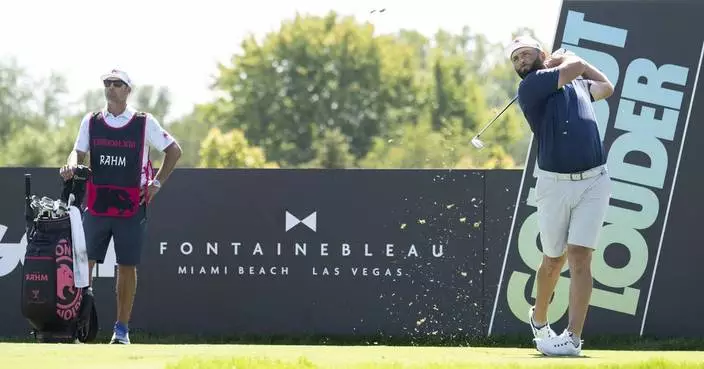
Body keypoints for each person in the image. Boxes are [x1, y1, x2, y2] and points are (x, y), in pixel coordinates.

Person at [504, 36, 614, 356]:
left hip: (594, 181)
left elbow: (605, 86)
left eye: (526, 54)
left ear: (542, 54)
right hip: (554, 183)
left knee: (580, 257)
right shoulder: (532, 86)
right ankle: (539, 319)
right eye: (516, 59)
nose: (521, 62)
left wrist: (566, 61)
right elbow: (577, 66)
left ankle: (573, 338)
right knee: (553, 260)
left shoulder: (576, 85)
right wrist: (569, 58)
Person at [59, 69, 182, 344]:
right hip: (97, 203)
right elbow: (78, 151)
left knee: (126, 266)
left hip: (131, 206)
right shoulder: (91, 120)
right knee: (83, 265)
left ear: (128, 90)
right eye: (107, 83)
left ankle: (121, 331)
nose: (111, 88)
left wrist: (156, 183)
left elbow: (174, 150)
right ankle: (79, 328)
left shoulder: (144, 121)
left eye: (118, 84)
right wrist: (71, 163)